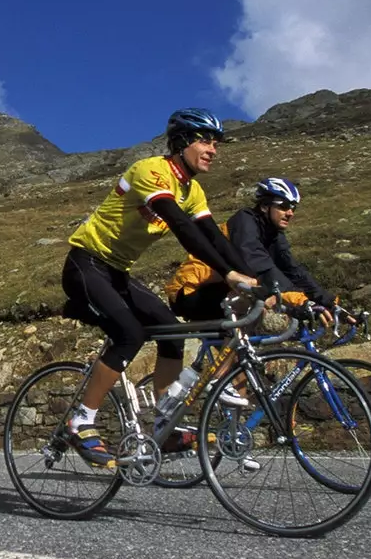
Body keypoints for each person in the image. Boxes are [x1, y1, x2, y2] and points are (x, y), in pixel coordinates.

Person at [59, 109, 260, 467]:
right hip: (86, 264)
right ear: (182, 142)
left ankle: (163, 427)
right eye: (205, 141)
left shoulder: (192, 190)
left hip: (118, 271)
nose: (213, 150)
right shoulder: (151, 170)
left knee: (173, 334)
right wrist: (226, 274)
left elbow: (214, 236)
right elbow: (182, 226)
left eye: (216, 143)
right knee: (129, 333)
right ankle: (82, 420)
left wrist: (252, 278)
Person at [167, 176, 355, 328]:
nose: (290, 213)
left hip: (223, 289)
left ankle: (238, 374)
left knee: (254, 330)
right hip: (191, 292)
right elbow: (256, 264)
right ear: (265, 206)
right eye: (283, 206)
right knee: (260, 309)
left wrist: (332, 304)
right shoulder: (244, 221)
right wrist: (300, 301)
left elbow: (294, 270)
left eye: (293, 207)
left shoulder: (273, 234)